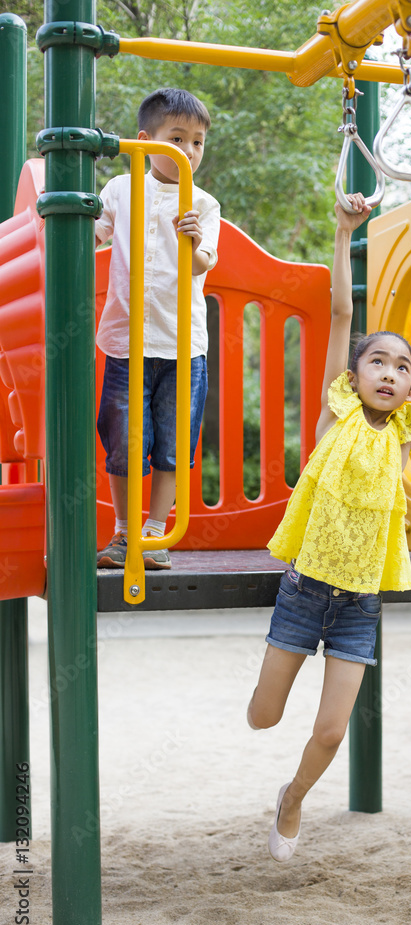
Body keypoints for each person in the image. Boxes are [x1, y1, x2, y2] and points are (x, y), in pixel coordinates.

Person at [247, 192, 411, 862]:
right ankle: (275, 719)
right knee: (262, 716)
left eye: (402, 367)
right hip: (304, 589)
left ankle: (292, 799)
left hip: (359, 602)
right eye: (378, 361)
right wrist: (342, 233)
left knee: (332, 731)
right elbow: (342, 312)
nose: (390, 373)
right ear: (354, 375)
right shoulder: (333, 415)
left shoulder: (403, 434)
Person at [96, 88, 221, 570]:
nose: (190, 150)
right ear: (145, 143)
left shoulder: (203, 204)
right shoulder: (120, 189)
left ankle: (155, 533)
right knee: (124, 443)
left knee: (173, 444)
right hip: (126, 343)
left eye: (198, 141)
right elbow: (92, 234)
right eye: (178, 138)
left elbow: (203, 262)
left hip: (182, 346)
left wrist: (191, 241)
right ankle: (124, 532)